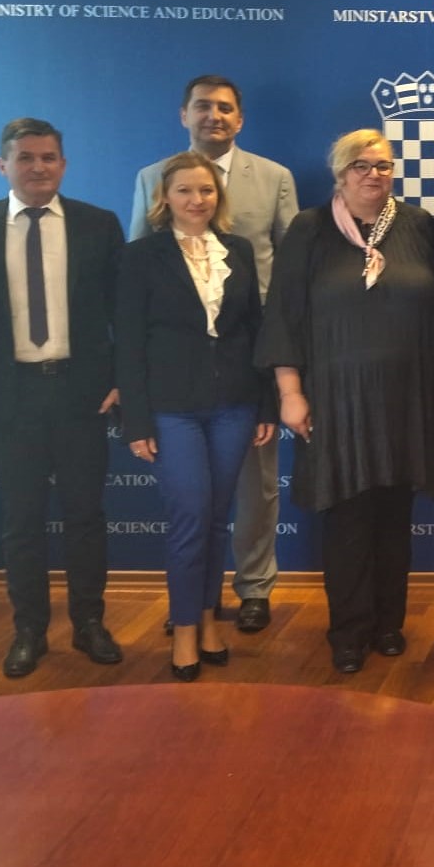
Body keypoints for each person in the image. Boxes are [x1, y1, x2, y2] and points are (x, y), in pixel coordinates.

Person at [258, 130, 434, 674]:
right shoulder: (310, 229)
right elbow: (284, 314)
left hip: (405, 398)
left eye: (383, 165)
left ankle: (389, 624)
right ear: (340, 174)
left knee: (393, 516)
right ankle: (348, 630)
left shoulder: (419, 226)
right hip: (333, 402)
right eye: (360, 166)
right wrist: (290, 392)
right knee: (347, 519)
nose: (373, 175)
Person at [129, 75, 297, 635]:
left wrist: (279, 370)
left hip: (251, 362)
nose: (214, 116)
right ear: (184, 115)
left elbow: (289, 274)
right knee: (193, 506)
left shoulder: (274, 178)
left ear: (239, 119)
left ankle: (254, 587)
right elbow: (136, 272)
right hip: (178, 375)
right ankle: (192, 609)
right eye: (203, 106)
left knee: (256, 488)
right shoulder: (151, 177)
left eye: (225, 108)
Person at [0, 117, 126, 679]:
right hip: (11, 396)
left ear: (63, 164)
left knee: (86, 516)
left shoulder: (98, 224)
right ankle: (29, 630)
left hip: (82, 393)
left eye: (49, 157)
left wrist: (121, 378)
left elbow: (122, 310)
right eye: (26, 158)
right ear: (2, 165)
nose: (38, 167)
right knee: (21, 522)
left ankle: (89, 623)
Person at [117, 153, 275, 679]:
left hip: (234, 405)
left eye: (206, 190)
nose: (196, 200)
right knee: (189, 519)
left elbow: (255, 331)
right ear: (165, 198)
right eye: (184, 190)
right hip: (171, 411)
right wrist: (136, 421)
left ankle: (209, 620)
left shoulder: (239, 250)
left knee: (215, 519)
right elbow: (129, 344)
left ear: (218, 196)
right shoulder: (141, 256)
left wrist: (267, 403)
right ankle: (184, 628)